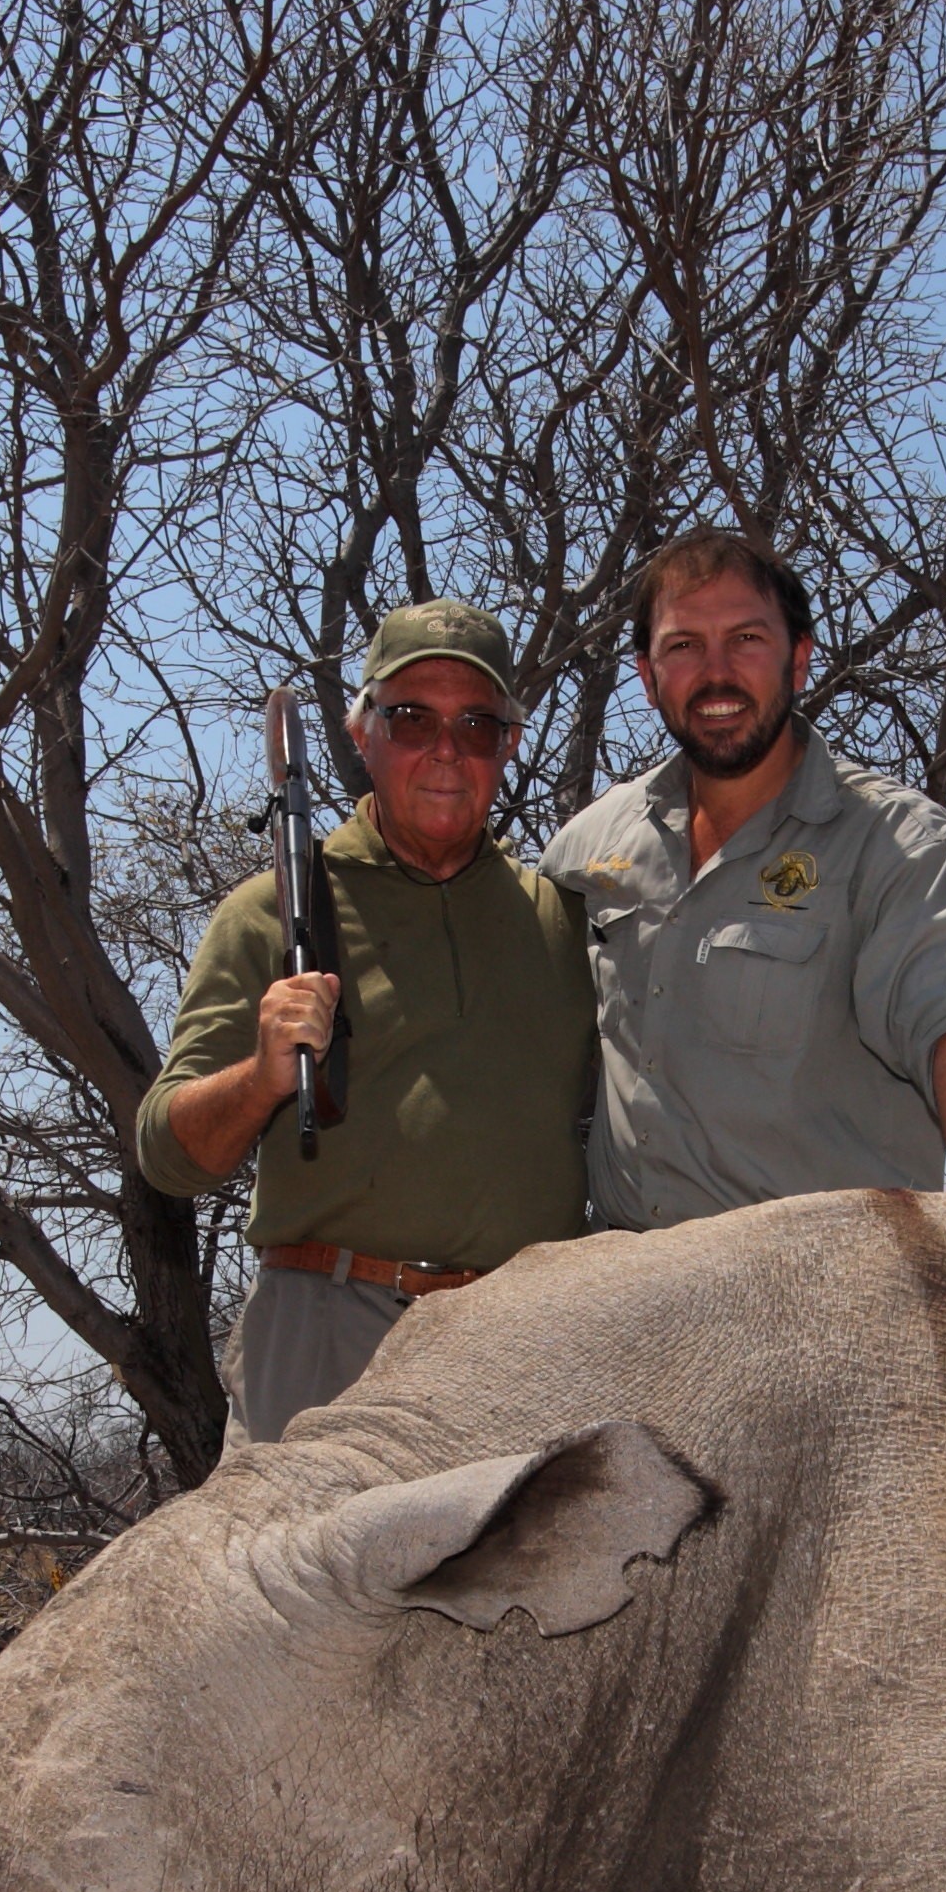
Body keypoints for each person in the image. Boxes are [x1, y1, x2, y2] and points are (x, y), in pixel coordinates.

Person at [537, 528, 946, 1247]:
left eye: (747, 639)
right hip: (625, 1276)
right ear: (647, 676)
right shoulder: (586, 848)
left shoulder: (899, 841)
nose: (717, 672)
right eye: (684, 645)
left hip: (826, 1283)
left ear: (798, 659)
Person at [138, 600, 594, 1444]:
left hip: (522, 1351)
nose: (446, 750)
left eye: (479, 725)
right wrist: (261, 1076)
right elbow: (167, 1152)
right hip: (324, 1340)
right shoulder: (270, 912)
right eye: (413, 718)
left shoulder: (565, 923)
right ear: (363, 731)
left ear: (511, 746)